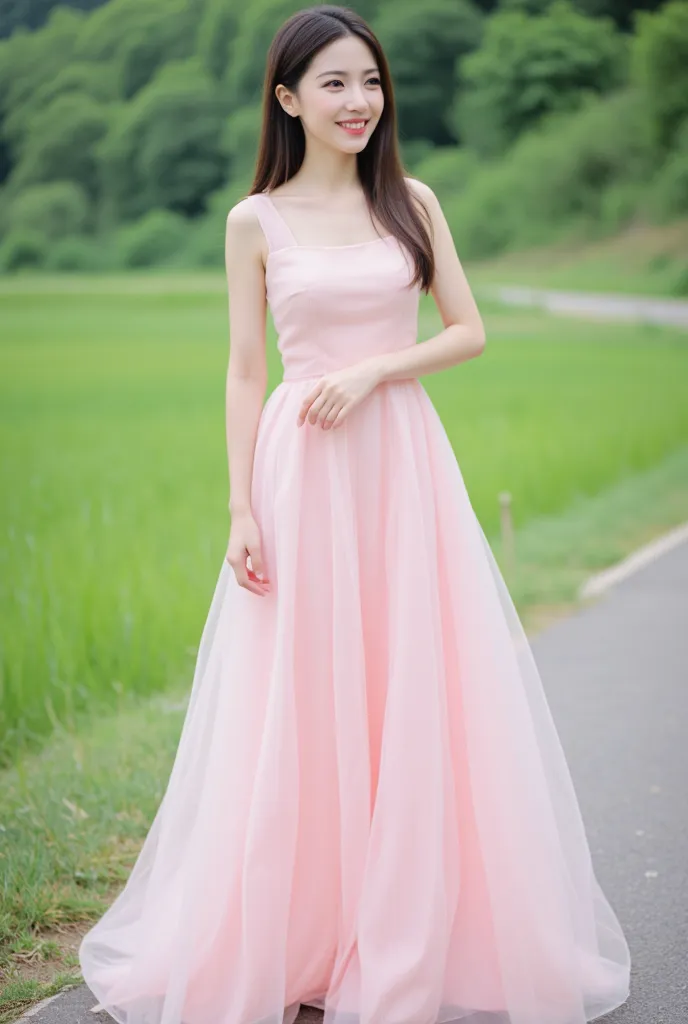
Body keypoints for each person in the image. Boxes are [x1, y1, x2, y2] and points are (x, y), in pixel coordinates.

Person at [79, 5, 632, 1024]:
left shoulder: (410, 201)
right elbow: (246, 372)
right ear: (286, 98)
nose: (359, 102)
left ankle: (402, 938)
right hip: (303, 471)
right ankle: (301, 940)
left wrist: (379, 367)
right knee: (306, 700)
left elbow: (468, 330)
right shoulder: (256, 220)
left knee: (408, 687)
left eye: (370, 82)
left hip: (400, 461)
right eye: (333, 83)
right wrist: (240, 506)